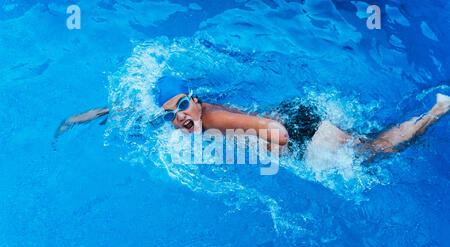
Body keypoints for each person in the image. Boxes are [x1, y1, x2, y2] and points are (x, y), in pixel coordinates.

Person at [56, 76, 450, 160]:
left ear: (194, 100)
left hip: (298, 134)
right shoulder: (181, 115)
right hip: (295, 116)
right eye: (170, 116)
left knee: (371, 153)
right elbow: (131, 111)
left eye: (181, 109)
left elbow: (276, 133)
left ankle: (435, 113)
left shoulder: (209, 119)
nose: (178, 120)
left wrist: (280, 152)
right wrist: (83, 117)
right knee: (368, 142)